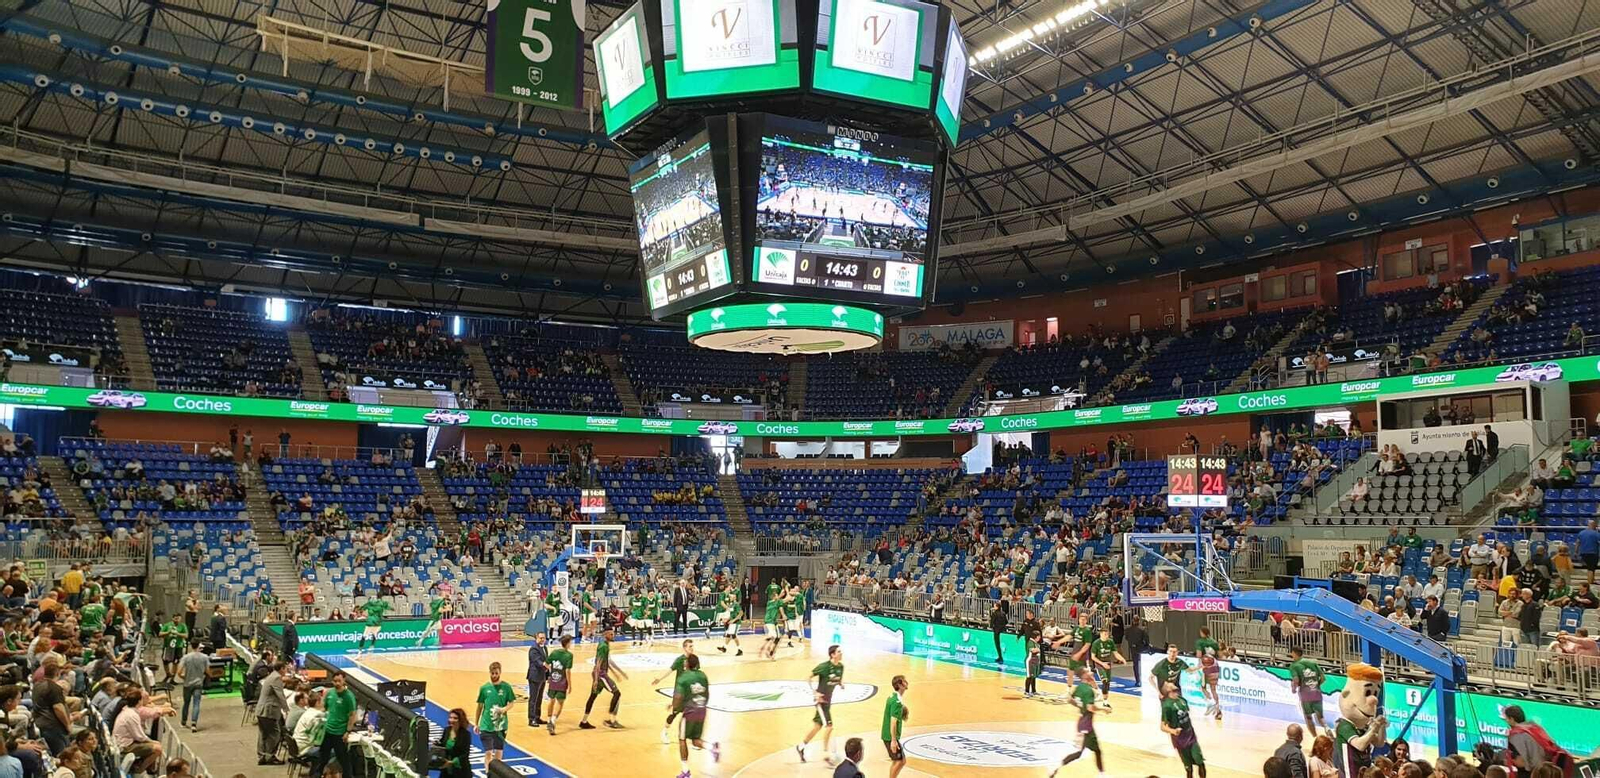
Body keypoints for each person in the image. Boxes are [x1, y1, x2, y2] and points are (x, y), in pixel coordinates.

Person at [1049, 667, 1109, 778]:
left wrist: (1080, 706)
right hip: (1086, 726)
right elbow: (1090, 707)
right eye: (1088, 671)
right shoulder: (1088, 690)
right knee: (1079, 753)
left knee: (1096, 750)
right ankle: (1055, 766)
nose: (1091, 672)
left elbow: (1070, 699)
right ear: (1084, 675)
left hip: (1084, 724)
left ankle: (1102, 774)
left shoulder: (1079, 688)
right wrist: (1103, 710)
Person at [670, 654, 718, 778]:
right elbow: (707, 693)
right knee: (696, 740)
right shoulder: (703, 675)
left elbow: (678, 696)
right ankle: (712, 747)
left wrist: (674, 707)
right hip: (702, 710)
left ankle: (686, 772)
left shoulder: (683, 677)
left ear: (687, 664)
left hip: (690, 712)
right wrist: (702, 705)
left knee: (682, 740)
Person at [798, 644, 845, 764]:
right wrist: (815, 693)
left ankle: (801, 747)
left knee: (817, 727)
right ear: (833, 654)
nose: (841, 653)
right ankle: (826, 755)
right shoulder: (824, 667)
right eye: (839, 652)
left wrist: (841, 683)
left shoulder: (840, 667)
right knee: (829, 727)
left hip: (828, 702)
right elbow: (808, 677)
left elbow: (837, 678)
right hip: (821, 702)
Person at [311, 671, 358, 778]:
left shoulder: (349, 696)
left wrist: (348, 731)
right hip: (327, 731)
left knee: (344, 760)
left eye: (339, 681)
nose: (337, 683)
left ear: (344, 681)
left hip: (340, 733)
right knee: (322, 758)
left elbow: (352, 715)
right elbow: (324, 707)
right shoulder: (329, 693)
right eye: (335, 681)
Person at [1502, 704, 1574, 774]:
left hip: (1534, 773)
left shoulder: (1515, 735)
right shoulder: (1535, 727)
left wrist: (1507, 760)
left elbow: (1522, 763)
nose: (1506, 721)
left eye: (1506, 718)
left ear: (1511, 719)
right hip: (1548, 770)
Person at [580, 626, 627, 729]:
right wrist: (596, 679)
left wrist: (618, 673)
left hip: (600, 674)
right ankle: (612, 720)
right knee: (617, 693)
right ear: (605, 635)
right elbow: (598, 664)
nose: (613, 635)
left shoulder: (605, 645)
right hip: (600, 675)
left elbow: (608, 662)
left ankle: (584, 721)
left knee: (592, 697)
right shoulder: (603, 647)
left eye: (613, 633)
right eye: (610, 634)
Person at [1160, 679, 1206, 778]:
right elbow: (1162, 726)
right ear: (1168, 691)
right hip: (1180, 739)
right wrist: (1173, 731)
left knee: (1199, 760)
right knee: (1188, 767)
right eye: (1171, 687)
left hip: (1190, 735)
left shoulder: (1182, 699)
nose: (1176, 689)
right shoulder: (1167, 706)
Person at [473, 661, 515, 770]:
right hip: (486, 725)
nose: (494, 676)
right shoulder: (484, 688)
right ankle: (488, 773)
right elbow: (479, 707)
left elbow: (511, 703)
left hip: (501, 726)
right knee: (488, 753)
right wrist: (476, 723)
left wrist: (504, 709)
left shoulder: (506, 687)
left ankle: (496, 774)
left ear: (500, 672)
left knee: (498, 754)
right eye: (492, 673)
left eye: (496, 673)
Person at [655, 639, 696, 744]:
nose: (692, 648)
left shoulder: (695, 660)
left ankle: (692, 738)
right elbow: (670, 670)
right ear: (685, 648)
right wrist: (659, 678)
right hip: (680, 692)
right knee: (674, 713)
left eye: (692, 646)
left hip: (690, 692)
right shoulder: (679, 660)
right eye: (690, 646)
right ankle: (664, 732)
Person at [255, 660, 291, 764]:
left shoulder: (271, 676)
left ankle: (262, 755)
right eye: (286, 668)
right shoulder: (276, 678)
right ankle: (270, 756)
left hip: (261, 709)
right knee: (275, 733)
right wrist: (286, 709)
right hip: (268, 711)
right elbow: (280, 695)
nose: (286, 671)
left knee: (263, 733)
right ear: (281, 669)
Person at [1287, 647, 1326, 737]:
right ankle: (1327, 729)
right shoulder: (1313, 662)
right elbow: (1323, 678)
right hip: (1316, 692)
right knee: (1321, 717)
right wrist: (1317, 686)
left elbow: (1296, 680)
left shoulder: (1294, 666)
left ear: (1294, 653)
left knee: (1308, 717)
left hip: (1305, 694)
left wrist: (1293, 689)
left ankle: (1315, 737)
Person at [177, 640, 209, 731]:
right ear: (199, 646)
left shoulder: (186, 657)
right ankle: (194, 723)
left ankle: (183, 721)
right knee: (196, 704)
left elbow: (179, 672)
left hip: (187, 684)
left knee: (186, 703)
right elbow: (207, 671)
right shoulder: (204, 657)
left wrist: (184, 677)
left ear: (191, 646)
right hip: (198, 683)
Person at [544, 635, 574, 735]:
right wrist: (570, 685)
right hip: (562, 682)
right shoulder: (569, 655)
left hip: (553, 680)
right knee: (560, 703)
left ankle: (548, 720)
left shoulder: (554, 652)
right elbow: (567, 671)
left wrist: (551, 671)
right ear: (568, 643)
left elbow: (545, 663)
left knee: (551, 700)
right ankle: (553, 720)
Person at [882, 675, 910, 778]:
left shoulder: (892, 697)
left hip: (887, 735)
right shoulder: (896, 701)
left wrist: (903, 709)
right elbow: (893, 722)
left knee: (898, 761)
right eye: (904, 682)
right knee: (900, 761)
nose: (906, 683)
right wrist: (893, 741)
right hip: (890, 737)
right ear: (899, 685)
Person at [436, 708, 473, 778]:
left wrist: (452, 762)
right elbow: (442, 744)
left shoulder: (465, 734)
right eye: (450, 717)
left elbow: (465, 754)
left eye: (455, 718)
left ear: (460, 720)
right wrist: (436, 745)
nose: (452, 720)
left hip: (460, 771)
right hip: (446, 770)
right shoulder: (447, 730)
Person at [526, 633, 549, 727]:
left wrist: (548, 675)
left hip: (542, 676)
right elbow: (537, 661)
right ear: (536, 638)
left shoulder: (545, 648)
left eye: (544, 638)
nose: (542, 639)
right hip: (534, 676)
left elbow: (546, 661)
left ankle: (537, 717)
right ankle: (531, 719)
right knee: (533, 699)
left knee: (539, 698)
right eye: (540, 638)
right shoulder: (533, 649)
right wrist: (545, 665)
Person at [716, 584, 743, 656]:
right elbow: (731, 614)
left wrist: (734, 620)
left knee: (733, 635)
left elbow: (741, 613)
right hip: (732, 622)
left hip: (737, 622)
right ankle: (724, 648)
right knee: (728, 635)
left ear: (734, 597)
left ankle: (740, 650)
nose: (730, 597)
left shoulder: (736, 604)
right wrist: (726, 619)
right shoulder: (731, 605)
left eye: (731, 596)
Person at [1578, 519, 1600, 587]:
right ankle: (1590, 584)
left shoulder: (1581, 532)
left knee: (1590, 568)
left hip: (1583, 553)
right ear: (1594, 525)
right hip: (1592, 553)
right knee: (1591, 568)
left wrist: (1576, 552)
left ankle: (1592, 580)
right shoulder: (1596, 534)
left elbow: (1577, 542)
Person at [989, 600, 1008, 666]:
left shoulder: (994, 613)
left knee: (997, 644)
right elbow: (1006, 621)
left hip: (997, 630)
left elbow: (992, 622)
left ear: (997, 607)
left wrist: (991, 626)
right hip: (1003, 630)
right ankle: (1000, 657)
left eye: (994, 606)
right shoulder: (1003, 613)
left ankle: (1000, 657)